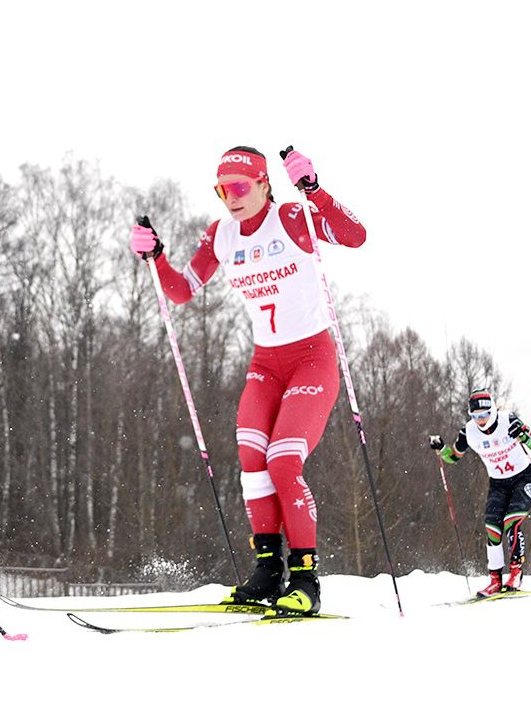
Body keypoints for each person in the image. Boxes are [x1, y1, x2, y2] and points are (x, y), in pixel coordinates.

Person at [129, 147, 366, 614]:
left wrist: (316, 189)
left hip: (311, 360)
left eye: (239, 187)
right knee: (252, 462)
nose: (230, 198)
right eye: (222, 190)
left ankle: (305, 579)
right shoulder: (222, 234)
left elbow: (354, 236)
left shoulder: (293, 217)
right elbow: (181, 291)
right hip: (266, 364)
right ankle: (266, 570)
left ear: (263, 184)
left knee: (283, 463)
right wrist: (156, 257)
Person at [430, 388, 531, 597]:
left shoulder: (508, 421)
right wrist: (441, 448)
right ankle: (495, 580)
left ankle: (515, 574)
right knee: (492, 528)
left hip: (523, 478)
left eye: (484, 415)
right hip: (499, 484)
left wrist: (523, 437)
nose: (481, 420)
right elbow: (454, 457)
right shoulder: (469, 432)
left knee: (512, 522)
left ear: (492, 411)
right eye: (476, 417)